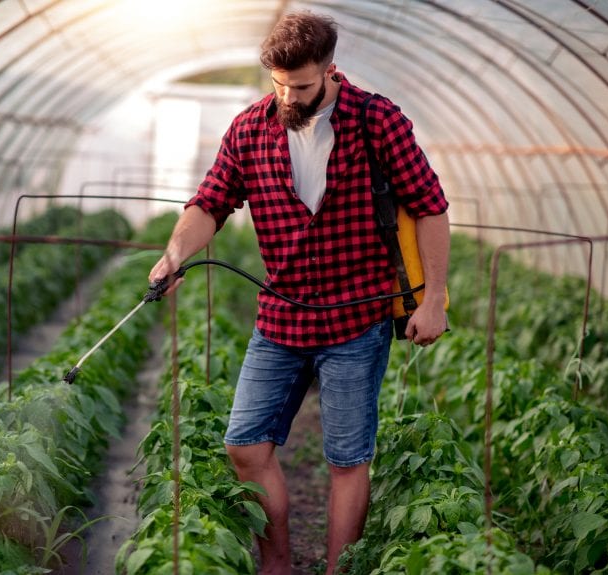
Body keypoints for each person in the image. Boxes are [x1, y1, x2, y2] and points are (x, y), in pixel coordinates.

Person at [149, 10, 449, 575]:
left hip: (355, 319)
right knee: (244, 445)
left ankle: (337, 569)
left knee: (345, 459)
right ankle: (279, 564)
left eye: (302, 85)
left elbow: (431, 206)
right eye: (279, 84)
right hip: (281, 317)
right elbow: (211, 201)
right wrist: (173, 253)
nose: (289, 95)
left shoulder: (376, 120)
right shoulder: (249, 129)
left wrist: (432, 299)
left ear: (331, 69)